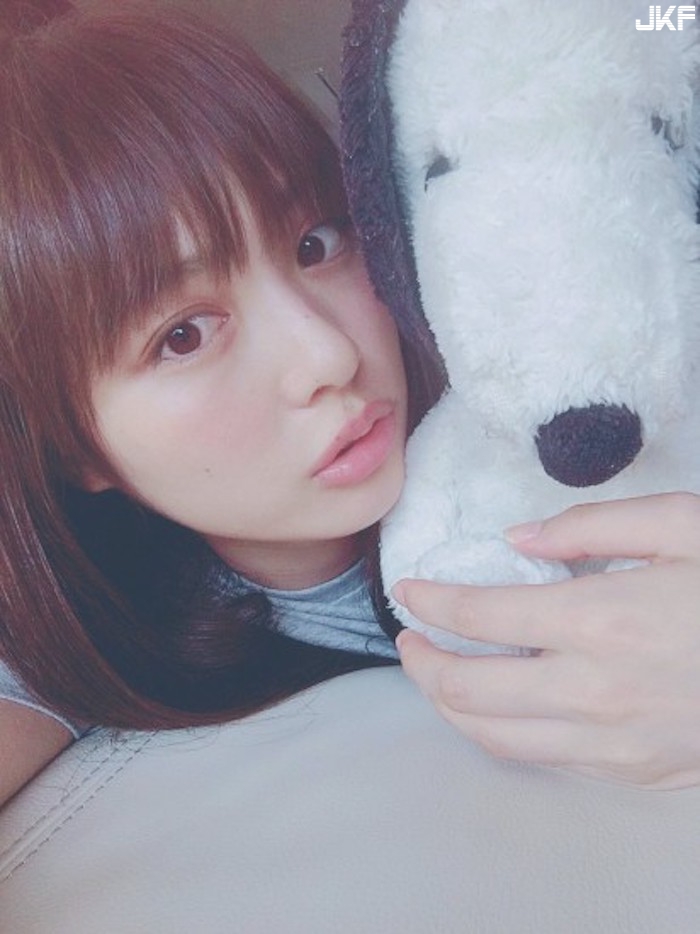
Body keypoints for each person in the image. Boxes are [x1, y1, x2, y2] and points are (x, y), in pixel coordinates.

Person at [1, 0, 699, 809]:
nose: (327, 355)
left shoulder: (600, 395)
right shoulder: (89, 655)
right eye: (183, 336)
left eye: (317, 243)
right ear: (71, 448)